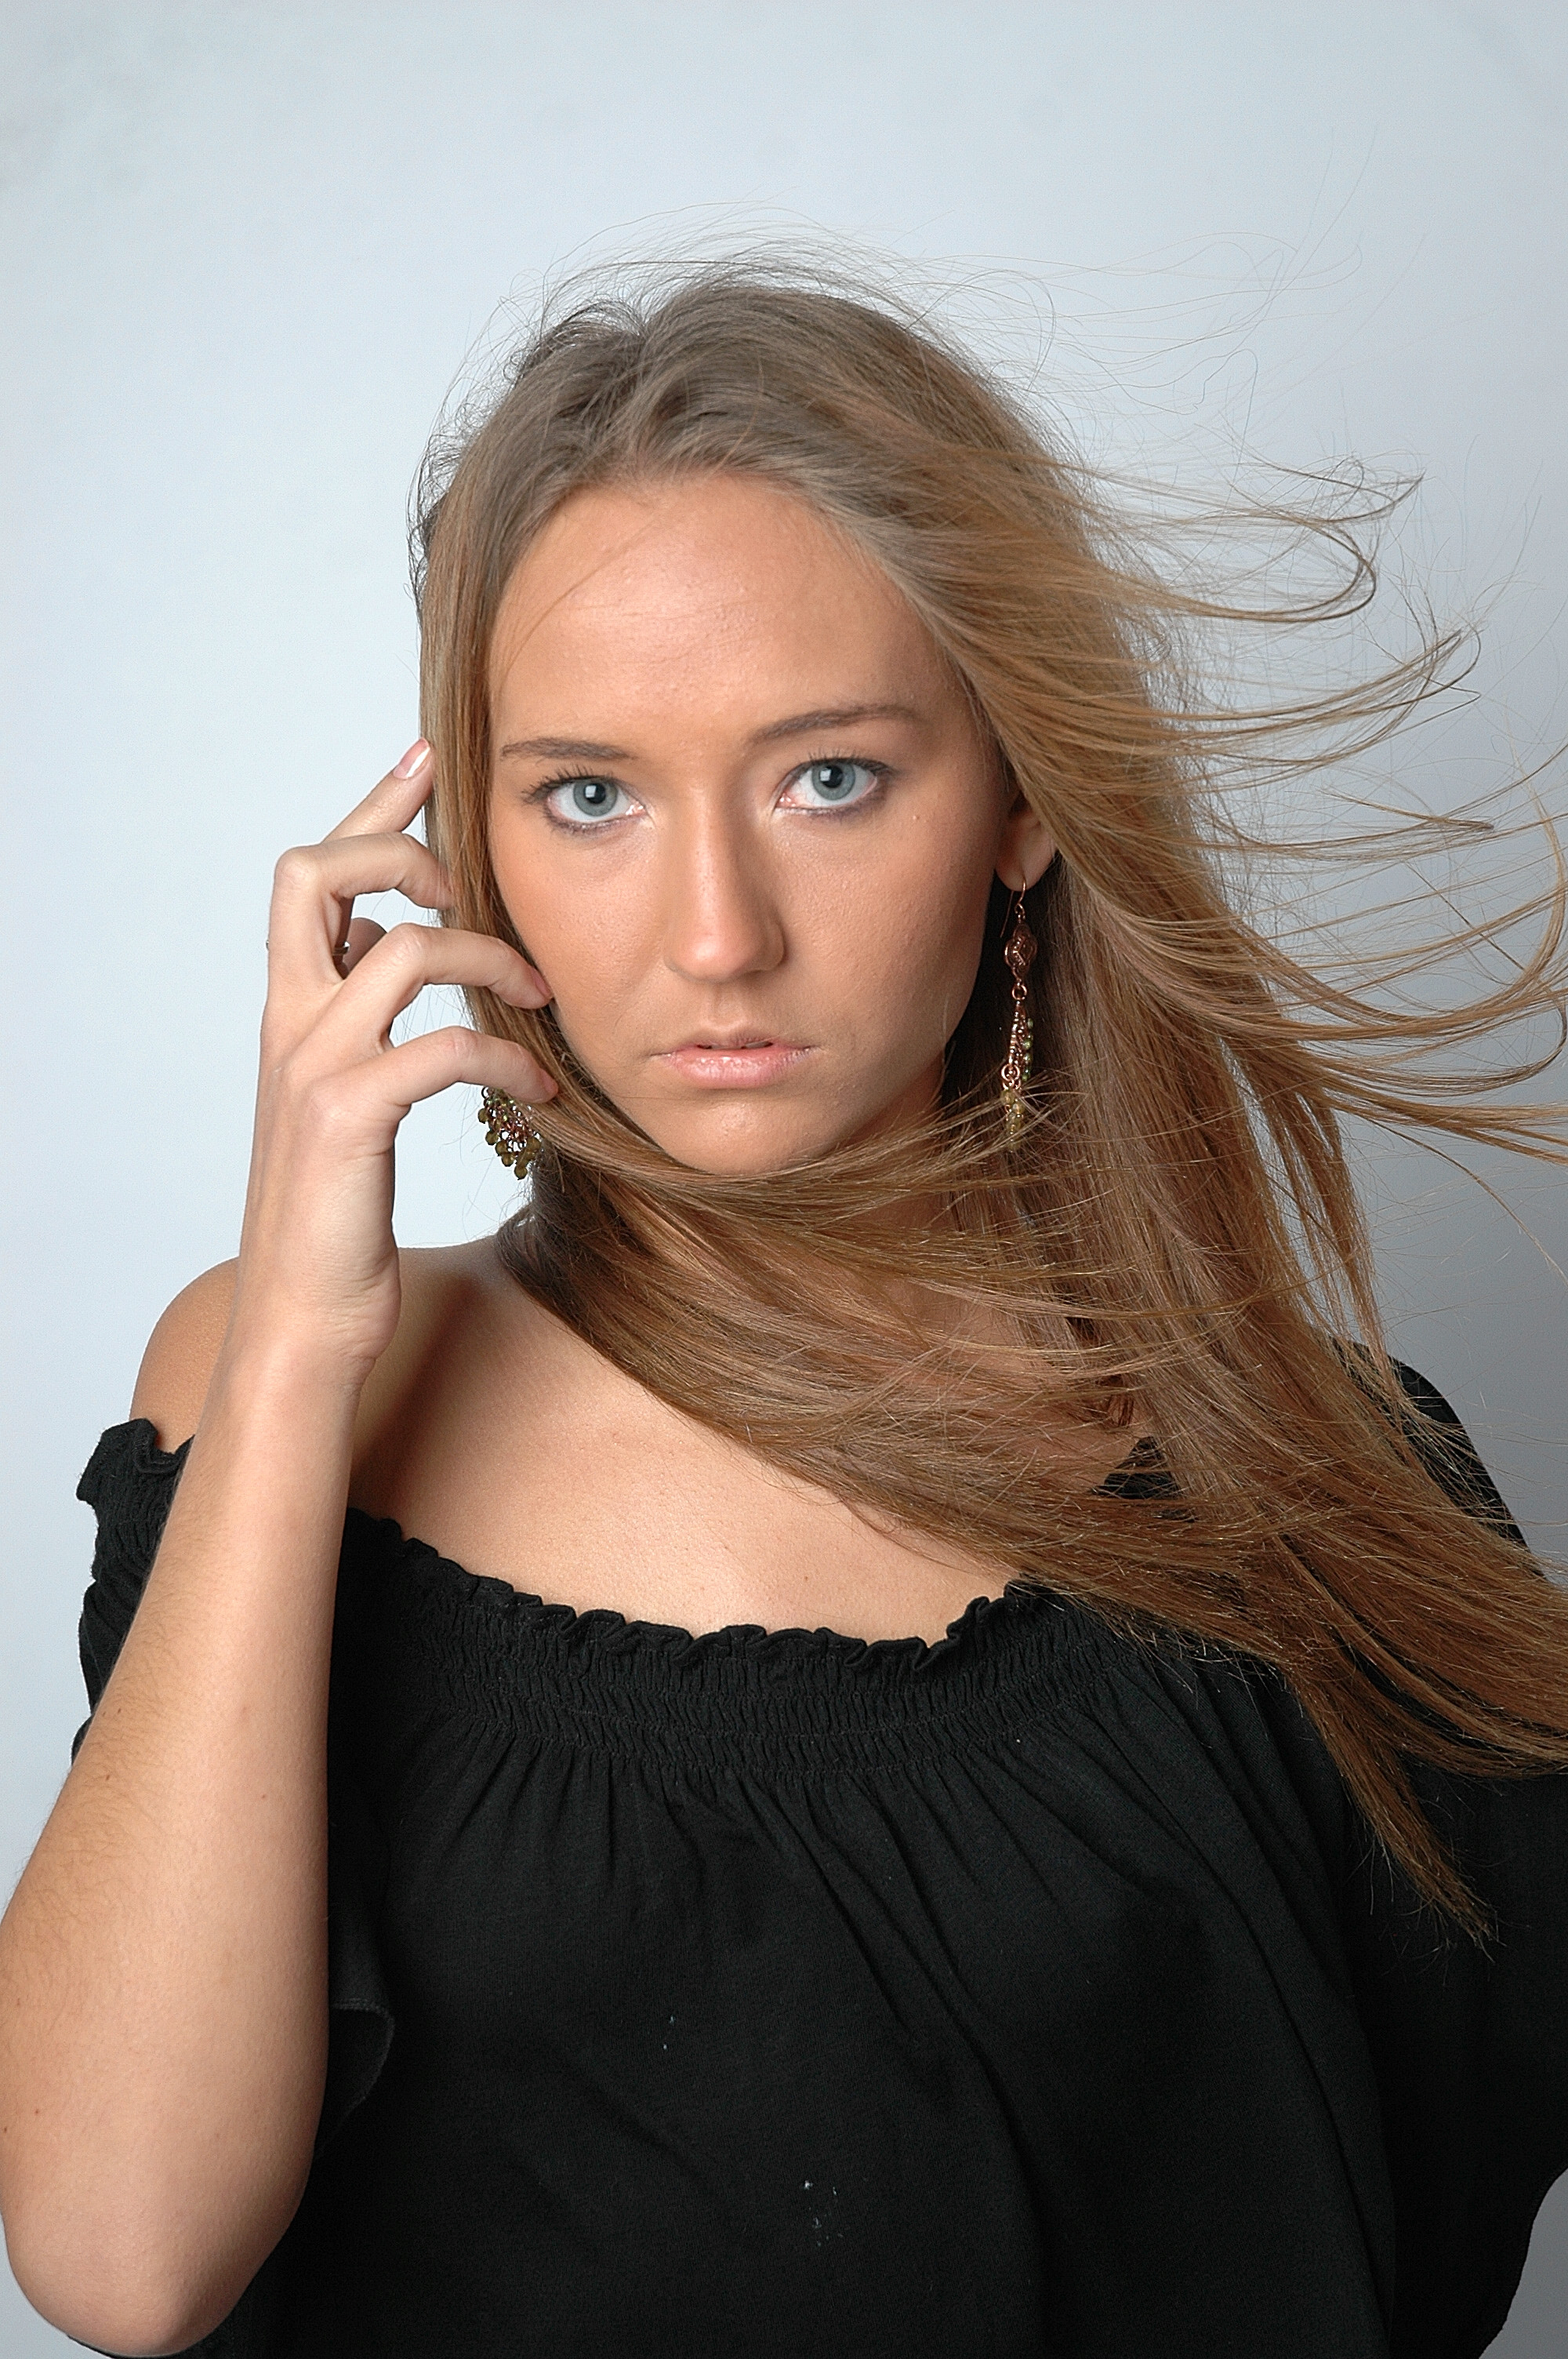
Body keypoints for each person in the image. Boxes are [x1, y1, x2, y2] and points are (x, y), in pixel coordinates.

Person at [2, 258, 1566, 2359]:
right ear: (466, 852)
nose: (717, 936)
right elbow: (120, 2257)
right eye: (591, 796)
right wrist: (296, 1326)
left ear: (1019, 799)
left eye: (829, 778)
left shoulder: (1334, 1485)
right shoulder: (278, 1390)